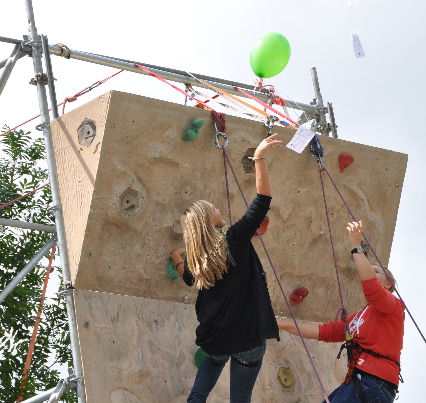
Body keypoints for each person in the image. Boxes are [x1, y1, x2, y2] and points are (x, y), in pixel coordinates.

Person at [170, 134, 282, 403]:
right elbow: (262, 200)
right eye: (214, 208)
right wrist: (259, 157)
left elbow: (188, 278)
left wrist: (177, 256)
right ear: (208, 221)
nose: (218, 208)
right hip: (247, 338)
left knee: (208, 373)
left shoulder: (198, 261)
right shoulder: (233, 239)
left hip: (216, 338)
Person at [277, 220, 405, 403]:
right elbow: (324, 331)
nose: (370, 272)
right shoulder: (359, 317)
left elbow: (372, 289)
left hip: (373, 383)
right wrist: (280, 325)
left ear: (388, 284)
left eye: (376, 271)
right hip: (363, 382)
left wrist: (356, 247)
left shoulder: (393, 306)